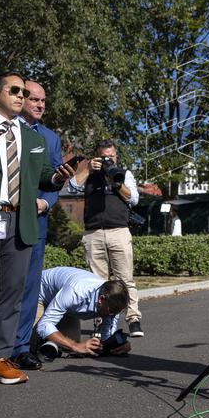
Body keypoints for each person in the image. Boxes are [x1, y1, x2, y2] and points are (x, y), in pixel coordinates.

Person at [0, 73, 74, 385]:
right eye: (15, 90)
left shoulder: (33, 138)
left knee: (12, 296)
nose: (22, 96)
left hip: (20, 224)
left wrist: (59, 177)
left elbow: (45, 175)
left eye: (24, 92)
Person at [10, 80, 64, 371]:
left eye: (44, 100)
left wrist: (46, 203)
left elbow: (56, 178)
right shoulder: (6, 128)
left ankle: (19, 348)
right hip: (1, 221)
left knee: (30, 288)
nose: (40, 105)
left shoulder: (50, 139)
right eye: (34, 99)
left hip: (36, 224)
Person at [68, 139, 143, 337]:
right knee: (98, 282)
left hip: (118, 231)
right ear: (97, 157)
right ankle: (103, 322)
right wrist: (89, 170)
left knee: (125, 279)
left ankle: (133, 319)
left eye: (111, 156)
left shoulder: (124, 174)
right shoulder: (90, 176)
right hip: (93, 233)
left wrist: (116, 182)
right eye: (104, 157)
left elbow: (133, 199)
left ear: (116, 156)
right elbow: (71, 187)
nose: (108, 160)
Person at [35, 267, 131, 357]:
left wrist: (117, 346)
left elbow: (107, 337)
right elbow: (44, 325)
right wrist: (75, 346)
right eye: (112, 312)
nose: (113, 315)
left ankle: (49, 341)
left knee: (69, 344)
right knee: (30, 346)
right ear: (101, 299)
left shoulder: (113, 303)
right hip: (40, 294)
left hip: (65, 305)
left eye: (117, 312)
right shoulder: (76, 291)